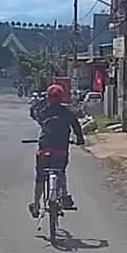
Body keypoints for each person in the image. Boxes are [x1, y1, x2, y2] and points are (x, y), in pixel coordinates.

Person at [28, 84, 83, 218]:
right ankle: (64, 195)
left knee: (40, 177)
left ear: (48, 97)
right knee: (60, 171)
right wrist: (80, 140)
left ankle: (36, 205)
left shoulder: (44, 112)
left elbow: (34, 113)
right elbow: (76, 126)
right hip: (61, 151)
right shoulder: (67, 113)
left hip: (44, 150)